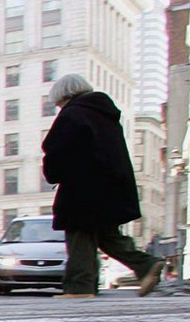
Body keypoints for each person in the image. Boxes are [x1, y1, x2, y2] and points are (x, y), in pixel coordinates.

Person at [41, 73, 165, 298]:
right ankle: (146, 265)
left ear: (64, 96)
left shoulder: (73, 114)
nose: (58, 107)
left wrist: (53, 173)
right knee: (106, 235)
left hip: (83, 188)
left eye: (57, 103)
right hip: (111, 186)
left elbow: (57, 150)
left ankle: (80, 287)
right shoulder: (103, 114)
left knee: (79, 234)